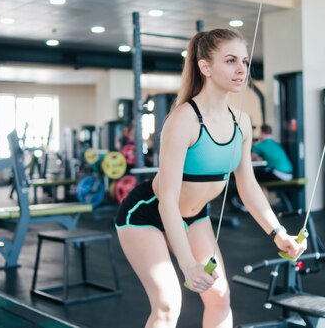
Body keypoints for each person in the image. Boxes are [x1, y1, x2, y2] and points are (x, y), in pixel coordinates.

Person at [115, 28, 306, 328]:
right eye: (230, 60)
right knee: (167, 304)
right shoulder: (183, 120)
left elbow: (248, 187)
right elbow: (168, 202)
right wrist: (187, 263)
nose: (241, 68)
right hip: (148, 214)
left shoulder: (241, 122)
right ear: (205, 67)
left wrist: (278, 233)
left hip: (195, 217)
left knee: (220, 297)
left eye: (244, 61)